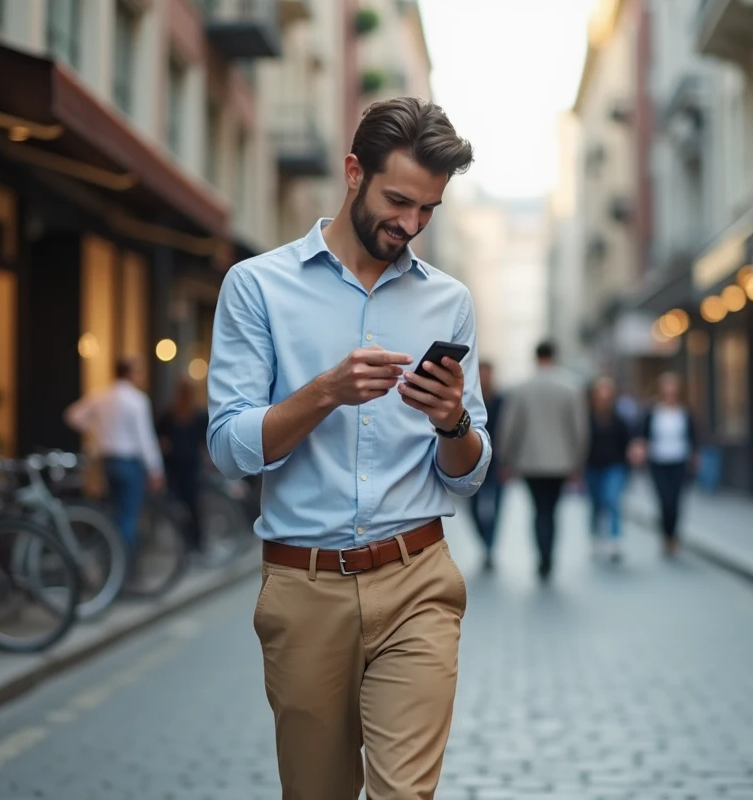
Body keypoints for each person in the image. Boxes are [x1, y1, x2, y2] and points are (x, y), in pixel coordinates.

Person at [206, 98, 489, 800]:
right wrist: (323, 393)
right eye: (399, 200)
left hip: (417, 576)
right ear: (353, 171)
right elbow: (228, 447)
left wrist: (453, 421)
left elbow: (469, 474)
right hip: (304, 586)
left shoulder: (448, 301)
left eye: (429, 210)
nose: (411, 224)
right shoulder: (256, 287)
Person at [496, 341, 588, 582]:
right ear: (554, 356)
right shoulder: (570, 387)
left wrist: (505, 458)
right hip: (561, 463)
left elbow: (509, 427)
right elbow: (580, 429)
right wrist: (578, 462)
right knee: (552, 509)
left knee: (538, 510)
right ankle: (549, 556)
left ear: (536, 357)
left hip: (530, 462)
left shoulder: (521, 389)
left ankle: (542, 556)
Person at [63, 357, 165, 551]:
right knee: (128, 514)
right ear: (130, 373)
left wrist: (96, 430)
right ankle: (124, 563)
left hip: (107, 460)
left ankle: (110, 559)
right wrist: (155, 469)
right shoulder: (137, 399)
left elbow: (73, 415)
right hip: (129, 461)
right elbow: (145, 437)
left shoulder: (101, 395)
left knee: (112, 511)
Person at [634, 372, 698, 557]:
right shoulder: (652, 411)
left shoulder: (685, 411)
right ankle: (665, 535)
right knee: (664, 500)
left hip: (679, 460)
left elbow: (693, 435)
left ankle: (673, 536)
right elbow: (642, 434)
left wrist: (694, 455)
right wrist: (640, 448)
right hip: (658, 461)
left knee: (676, 501)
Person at [157, 379, 210, 554]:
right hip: (190, 464)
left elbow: (161, 438)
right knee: (193, 505)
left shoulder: (170, 413)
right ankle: (196, 542)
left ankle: (184, 541)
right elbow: (205, 440)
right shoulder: (198, 414)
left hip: (174, 464)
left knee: (177, 504)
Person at [585, 376, 632, 563]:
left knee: (612, 500)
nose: (604, 397)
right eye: (600, 392)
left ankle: (615, 540)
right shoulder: (587, 418)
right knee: (596, 503)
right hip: (592, 466)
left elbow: (628, 442)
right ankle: (595, 537)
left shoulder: (619, 420)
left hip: (615, 466)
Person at [468, 361, 504, 571]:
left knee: (496, 508)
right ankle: (484, 541)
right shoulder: (471, 400)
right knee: (474, 507)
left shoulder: (501, 401)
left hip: (497, 464)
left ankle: (490, 546)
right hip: (474, 461)